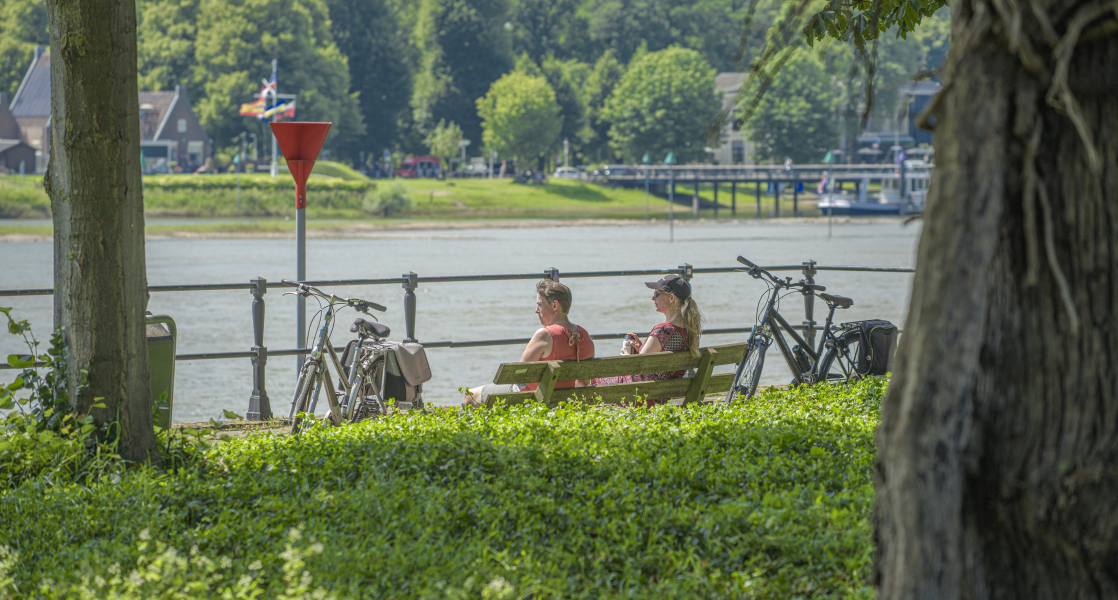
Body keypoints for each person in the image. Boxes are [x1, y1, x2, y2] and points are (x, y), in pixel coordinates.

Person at [463, 279, 595, 406]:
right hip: (565, 402)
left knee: (470, 395)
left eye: (539, 305)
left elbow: (519, 376)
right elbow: (584, 382)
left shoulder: (544, 335)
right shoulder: (585, 336)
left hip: (532, 399)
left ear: (555, 305)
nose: (536, 310)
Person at [592, 274, 704, 406]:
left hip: (639, 396)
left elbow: (638, 366)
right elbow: (661, 365)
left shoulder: (663, 330)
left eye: (657, 294)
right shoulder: (691, 332)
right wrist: (642, 349)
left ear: (671, 298)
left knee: (591, 381)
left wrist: (627, 357)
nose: (652, 298)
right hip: (660, 397)